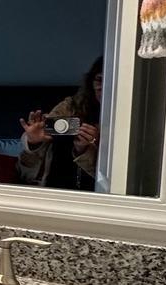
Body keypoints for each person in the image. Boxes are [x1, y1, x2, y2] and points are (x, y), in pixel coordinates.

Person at [17, 57, 103, 191]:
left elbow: (110, 179)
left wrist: (85, 150)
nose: (103, 87)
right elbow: (26, 172)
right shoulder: (71, 106)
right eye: (99, 80)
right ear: (91, 82)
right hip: (54, 186)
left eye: (110, 81)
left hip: (91, 193)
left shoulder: (125, 120)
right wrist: (34, 142)